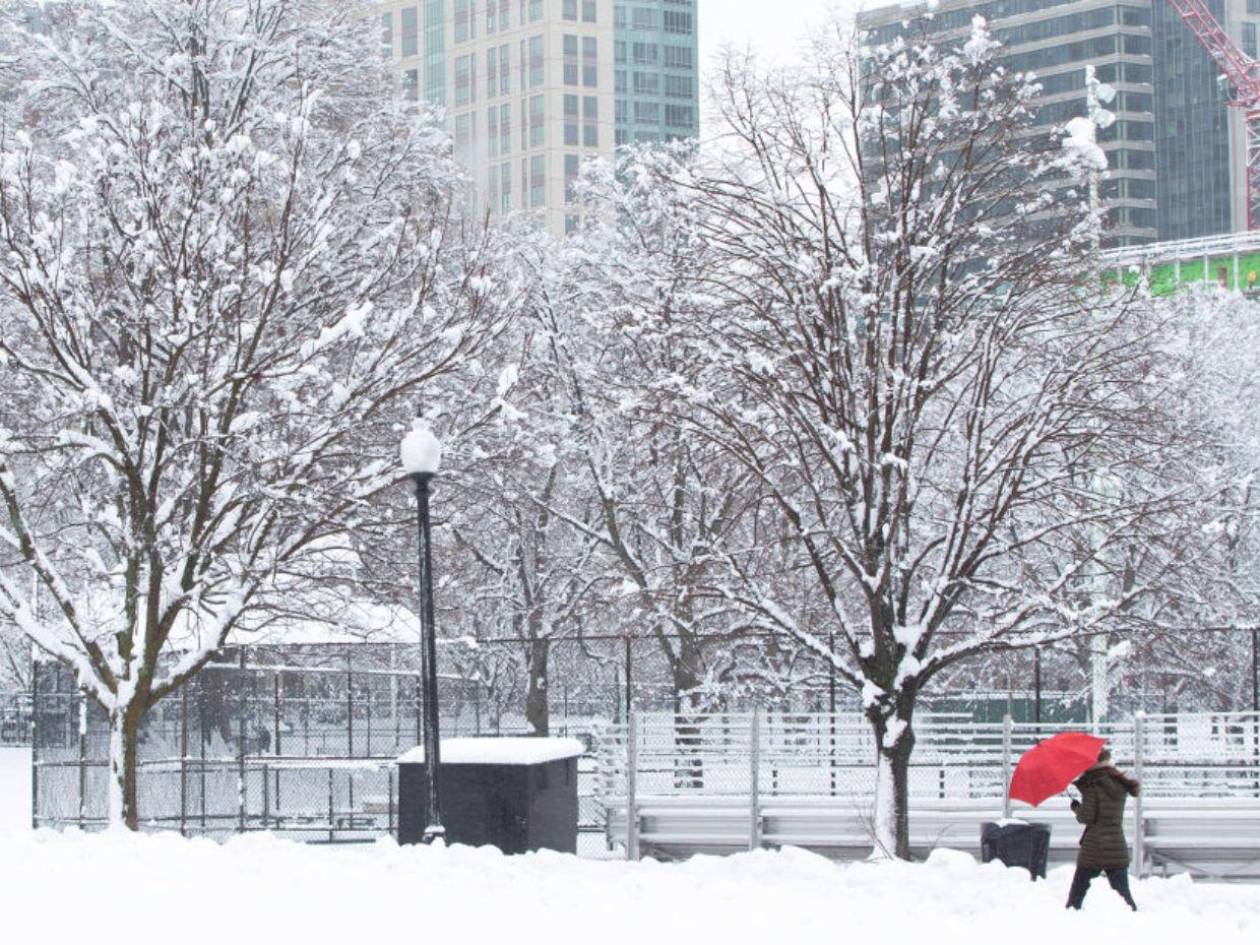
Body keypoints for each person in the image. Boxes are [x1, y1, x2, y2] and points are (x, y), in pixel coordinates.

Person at [1065, 747, 1140, 911]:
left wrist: (1077, 808)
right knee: (1122, 891)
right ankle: (1133, 915)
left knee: (1078, 891)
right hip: (1115, 843)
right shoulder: (1118, 781)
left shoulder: (1092, 784)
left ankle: (1070, 916)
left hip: (1095, 845)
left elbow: (1087, 817)